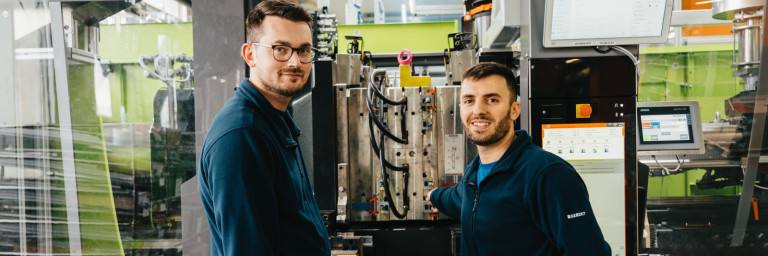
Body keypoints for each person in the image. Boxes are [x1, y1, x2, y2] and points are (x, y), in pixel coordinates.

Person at [427, 62, 611, 255]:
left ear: (514, 110)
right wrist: (432, 196)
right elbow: (457, 199)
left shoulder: (548, 175)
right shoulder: (473, 177)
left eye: (491, 100)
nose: (478, 110)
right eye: (469, 100)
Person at [197, 1, 330, 255]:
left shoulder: (274, 121)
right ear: (249, 55)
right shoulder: (242, 137)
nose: (295, 62)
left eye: (303, 50)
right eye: (280, 49)